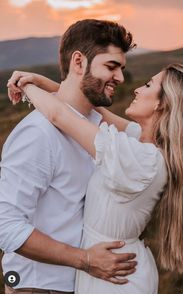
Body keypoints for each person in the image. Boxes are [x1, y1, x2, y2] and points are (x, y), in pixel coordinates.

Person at [8, 63, 183, 294]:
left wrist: (25, 84)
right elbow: (94, 110)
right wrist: (45, 83)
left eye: (148, 84)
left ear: (163, 103)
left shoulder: (139, 159)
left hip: (114, 274)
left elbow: (60, 115)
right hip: (117, 264)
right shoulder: (145, 144)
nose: (137, 89)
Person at [0, 19, 138, 294]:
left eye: (121, 68)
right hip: (40, 287)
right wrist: (85, 259)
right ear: (78, 62)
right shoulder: (38, 133)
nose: (120, 78)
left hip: (84, 284)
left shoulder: (97, 129)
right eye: (111, 67)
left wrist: (43, 84)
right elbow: (6, 225)